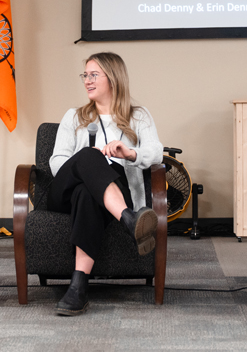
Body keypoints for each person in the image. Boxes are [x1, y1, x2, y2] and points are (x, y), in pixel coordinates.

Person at [48, 52, 163, 316]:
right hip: (63, 191)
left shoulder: (139, 116)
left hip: (107, 193)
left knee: (87, 194)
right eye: (85, 75)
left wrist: (129, 153)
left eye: (93, 75)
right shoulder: (74, 117)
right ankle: (130, 220)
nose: (87, 81)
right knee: (88, 157)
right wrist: (86, 167)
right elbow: (56, 161)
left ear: (113, 78)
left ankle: (77, 289)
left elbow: (156, 151)